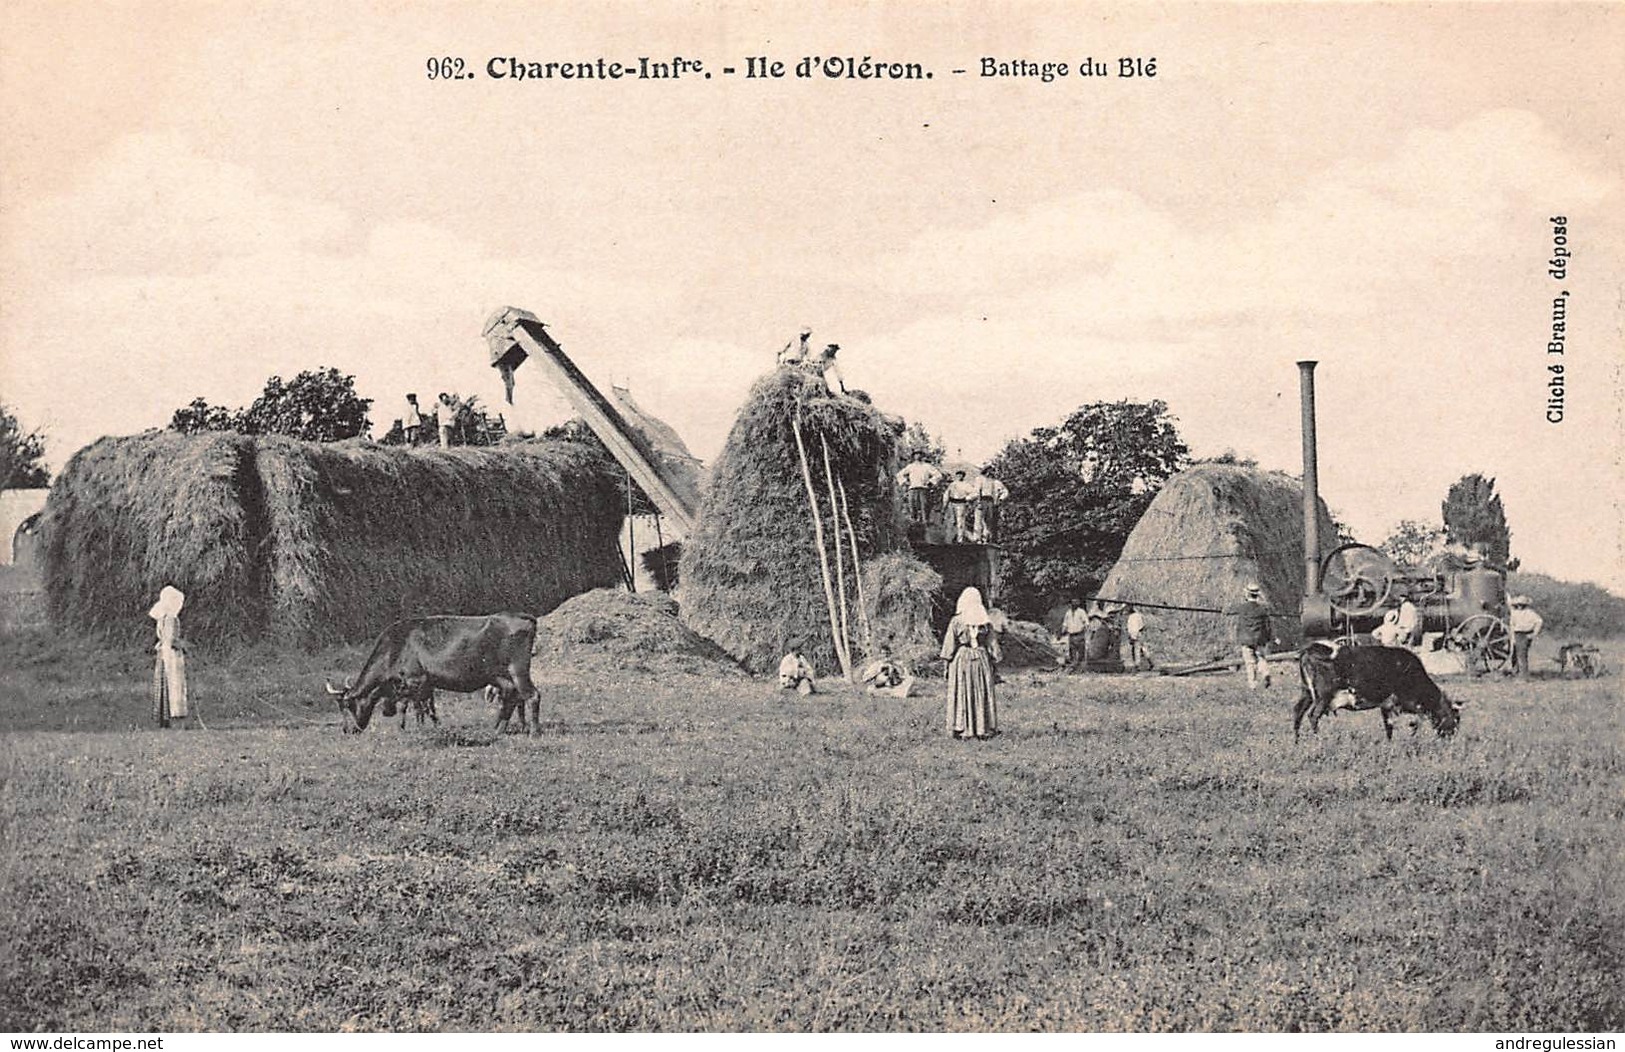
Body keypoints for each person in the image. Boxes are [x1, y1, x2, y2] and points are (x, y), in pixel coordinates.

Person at [941, 587, 1000, 739]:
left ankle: (963, 728)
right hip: (981, 658)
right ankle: (982, 728)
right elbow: (993, 645)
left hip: (962, 659)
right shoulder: (985, 622)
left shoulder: (957, 621)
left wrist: (947, 663)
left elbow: (949, 644)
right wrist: (994, 662)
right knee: (981, 691)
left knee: (963, 690)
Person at [149, 585, 189, 728]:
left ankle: (163, 718)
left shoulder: (162, 618)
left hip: (163, 653)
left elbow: (163, 638)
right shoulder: (171, 618)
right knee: (174, 684)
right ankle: (174, 717)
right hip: (171, 655)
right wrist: (183, 645)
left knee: (164, 683)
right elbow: (171, 639)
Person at [1229, 583, 1275, 689]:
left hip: (1246, 639)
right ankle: (1265, 673)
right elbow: (1267, 625)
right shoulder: (1262, 609)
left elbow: (1228, 611)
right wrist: (1269, 638)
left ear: (1247, 594)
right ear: (1257, 595)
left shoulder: (1242, 608)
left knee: (1250, 662)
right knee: (1261, 658)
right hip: (1259, 639)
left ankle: (1253, 684)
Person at [896, 460, 944, 525]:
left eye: (920, 454)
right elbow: (899, 475)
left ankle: (925, 522)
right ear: (914, 456)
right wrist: (905, 482)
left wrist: (930, 482)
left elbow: (938, 475)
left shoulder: (927, 466)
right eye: (916, 454)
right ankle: (913, 522)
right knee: (912, 505)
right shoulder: (910, 466)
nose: (918, 456)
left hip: (923, 488)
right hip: (912, 488)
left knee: (924, 505)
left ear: (922, 456)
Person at [1508, 595, 1543, 677]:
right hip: (1517, 634)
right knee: (1515, 654)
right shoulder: (1515, 613)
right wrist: (1512, 637)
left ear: (1525, 605)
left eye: (1521, 604)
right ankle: (1515, 672)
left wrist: (1534, 633)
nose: (1519, 606)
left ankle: (1524, 675)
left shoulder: (1530, 613)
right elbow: (1512, 625)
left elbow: (1539, 621)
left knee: (1521, 654)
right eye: (1518, 604)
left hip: (1526, 634)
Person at [973, 467, 1009, 543]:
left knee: (989, 521)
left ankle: (985, 538)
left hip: (991, 501)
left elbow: (1005, 491)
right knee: (979, 519)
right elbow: (977, 491)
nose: (991, 473)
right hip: (982, 500)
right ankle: (977, 538)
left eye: (992, 471)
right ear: (985, 471)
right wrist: (978, 502)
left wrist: (1000, 499)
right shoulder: (979, 479)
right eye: (989, 471)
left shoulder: (996, 482)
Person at [942, 470, 977, 543]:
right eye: (958, 475)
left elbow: (974, 493)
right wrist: (944, 505)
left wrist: (967, 498)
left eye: (961, 475)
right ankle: (948, 540)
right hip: (951, 503)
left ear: (963, 476)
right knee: (950, 521)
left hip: (961, 503)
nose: (959, 476)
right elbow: (946, 495)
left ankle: (960, 540)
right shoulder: (952, 484)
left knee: (960, 522)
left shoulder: (966, 485)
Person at [1062, 596, 1090, 671]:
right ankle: (1073, 668)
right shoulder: (1068, 613)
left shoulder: (1081, 612)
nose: (1074, 604)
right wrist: (1063, 631)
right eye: (1073, 602)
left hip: (1079, 634)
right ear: (1071, 603)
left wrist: (1084, 631)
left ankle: (1082, 668)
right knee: (1072, 652)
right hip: (1071, 635)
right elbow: (1065, 624)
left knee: (1081, 651)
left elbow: (1086, 623)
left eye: (1076, 602)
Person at [1125, 604, 1147, 670]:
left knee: (1136, 650)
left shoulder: (1133, 617)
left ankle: (1137, 665)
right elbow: (1142, 626)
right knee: (1143, 649)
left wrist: (1133, 636)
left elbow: (1135, 628)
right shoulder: (1136, 616)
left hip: (1136, 634)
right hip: (1138, 634)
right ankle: (1151, 662)